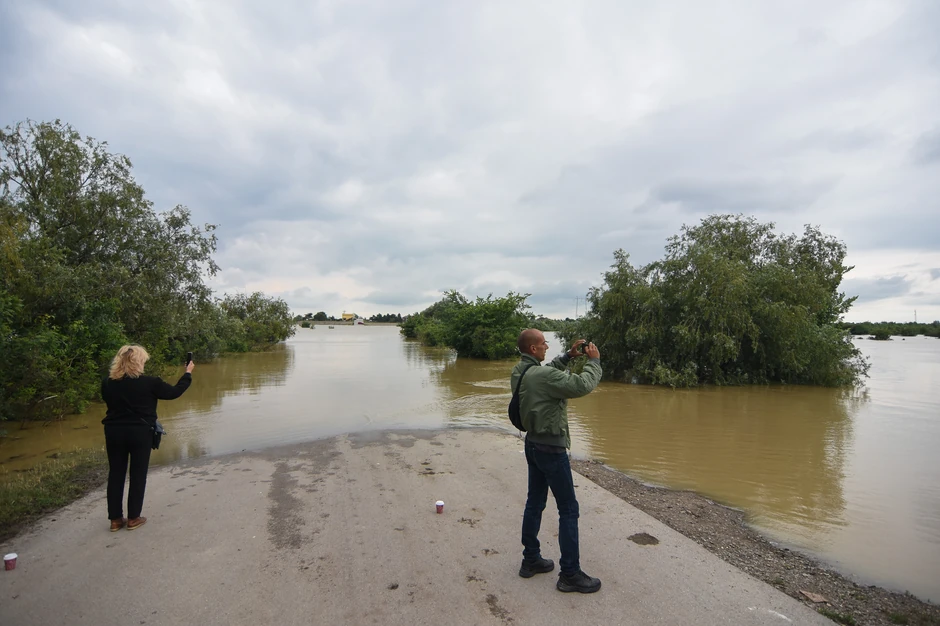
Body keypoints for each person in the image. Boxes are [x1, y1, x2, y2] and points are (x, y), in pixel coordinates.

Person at [512, 328, 603, 593]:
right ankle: (570, 574)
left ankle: (530, 560)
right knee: (569, 509)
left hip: (532, 444)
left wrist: (568, 356)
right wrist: (593, 361)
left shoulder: (521, 371)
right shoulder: (543, 375)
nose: (546, 348)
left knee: (535, 502)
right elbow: (581, 385)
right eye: (543, 344)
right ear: (533, 349)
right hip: (551, 448)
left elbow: (545, 370)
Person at [101, 345, 194, 531]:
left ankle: (115, 520)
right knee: (138, 474)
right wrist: (188, 373)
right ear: (139, 362)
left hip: (113, 432)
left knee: (116, 473)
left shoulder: (107, 382)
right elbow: (174, 392)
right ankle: (134, 518)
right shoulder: (150, 382)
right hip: (140, 433)